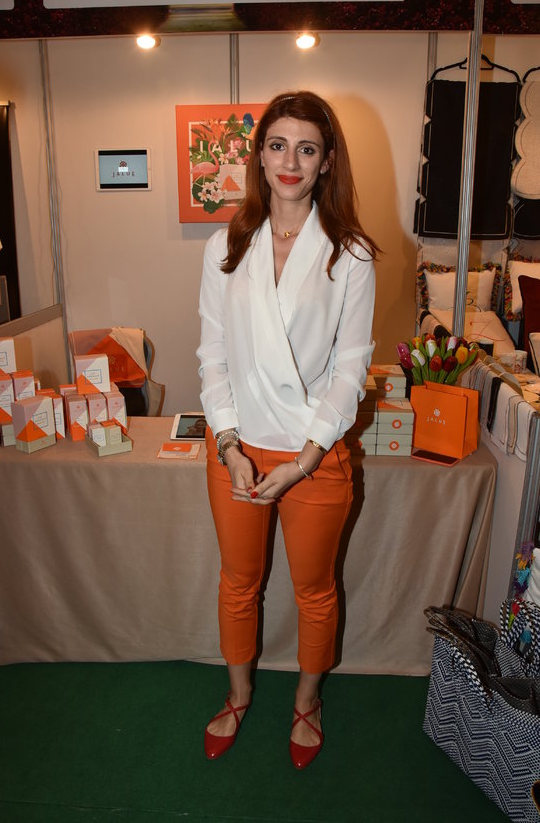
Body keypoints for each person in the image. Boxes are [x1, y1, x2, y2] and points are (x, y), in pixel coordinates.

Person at [197, 90, 377, 769]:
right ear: (260, 155)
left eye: (307, 148)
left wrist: (304, 461)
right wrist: (227, 444)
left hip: (312, 453)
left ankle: (307, 700)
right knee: (238, 582)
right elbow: (212, 354)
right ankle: (239, 691)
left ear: (327, 161)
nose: (290, 161)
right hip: (237, 448)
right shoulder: (225, 245)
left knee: (314, 589)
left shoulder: (350, 254)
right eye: (278, 145)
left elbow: (351, 370)